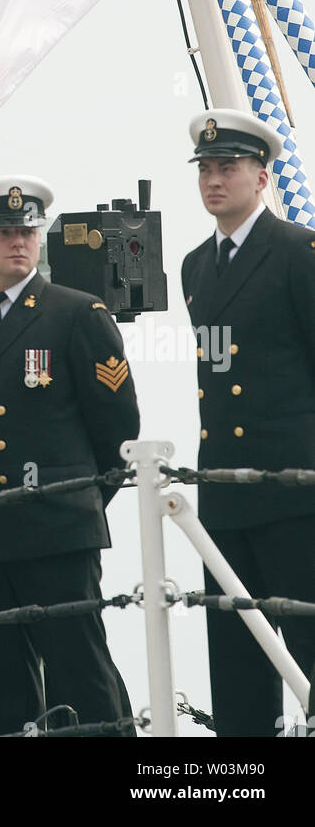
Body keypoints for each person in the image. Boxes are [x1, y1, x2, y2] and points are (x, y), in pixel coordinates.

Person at [0, 178, 140, 738]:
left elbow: (118, 434)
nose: (17, 242)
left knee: (81, 676)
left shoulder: (76, 314)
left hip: (56, 528)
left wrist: (74, 500)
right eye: (3, 232)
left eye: (27, 230)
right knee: (3, 688)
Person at [182, 108, 315, 737]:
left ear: (262, 177)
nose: (215, 180)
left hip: (295, 493)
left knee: (310, 649)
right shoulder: (195, 268)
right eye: (206, 169)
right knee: (237, 665)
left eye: (228, 167)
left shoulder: (297, 252)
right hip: (226, 499)